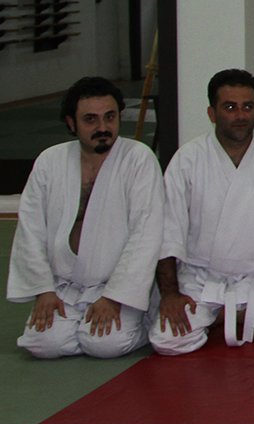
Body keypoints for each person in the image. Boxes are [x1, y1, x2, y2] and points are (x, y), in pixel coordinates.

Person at [149, 69, 254, 353]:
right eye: (230, 107)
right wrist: (170, 294)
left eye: (248, 106)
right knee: (168, 341)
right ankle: (229, 314)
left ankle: (238, 314)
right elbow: (168, 231)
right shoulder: (188, 160)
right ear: (212, 113)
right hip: (202, 277)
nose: (241, 115)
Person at [8, 77, 163, 359]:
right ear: (71, 123)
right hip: (64, 286)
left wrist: (115, 297)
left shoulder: (138, 159)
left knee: (105, 345)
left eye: (110, 117)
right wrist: (43, 290)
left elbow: (146, 234)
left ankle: (144, 320)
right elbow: (31, 229)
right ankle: (77, 326)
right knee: (42, 344)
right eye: (90, 119)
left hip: (116, 286)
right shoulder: (49, 161)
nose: (103, 127)